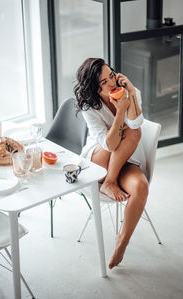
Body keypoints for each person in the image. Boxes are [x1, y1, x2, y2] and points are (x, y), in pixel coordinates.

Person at [74, 58, 148, 269]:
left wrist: (131, 94)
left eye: (112, 76)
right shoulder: (90, 107)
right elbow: (110, 144)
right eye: (104, 83)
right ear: (95, 89)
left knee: (141, 186)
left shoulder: (130, 93)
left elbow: (136, 124)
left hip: (124, 160)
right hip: (99, 162)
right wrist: (120, 112)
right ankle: (109, 182)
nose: (112, 83)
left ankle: (122, 243)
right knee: (119, 140)